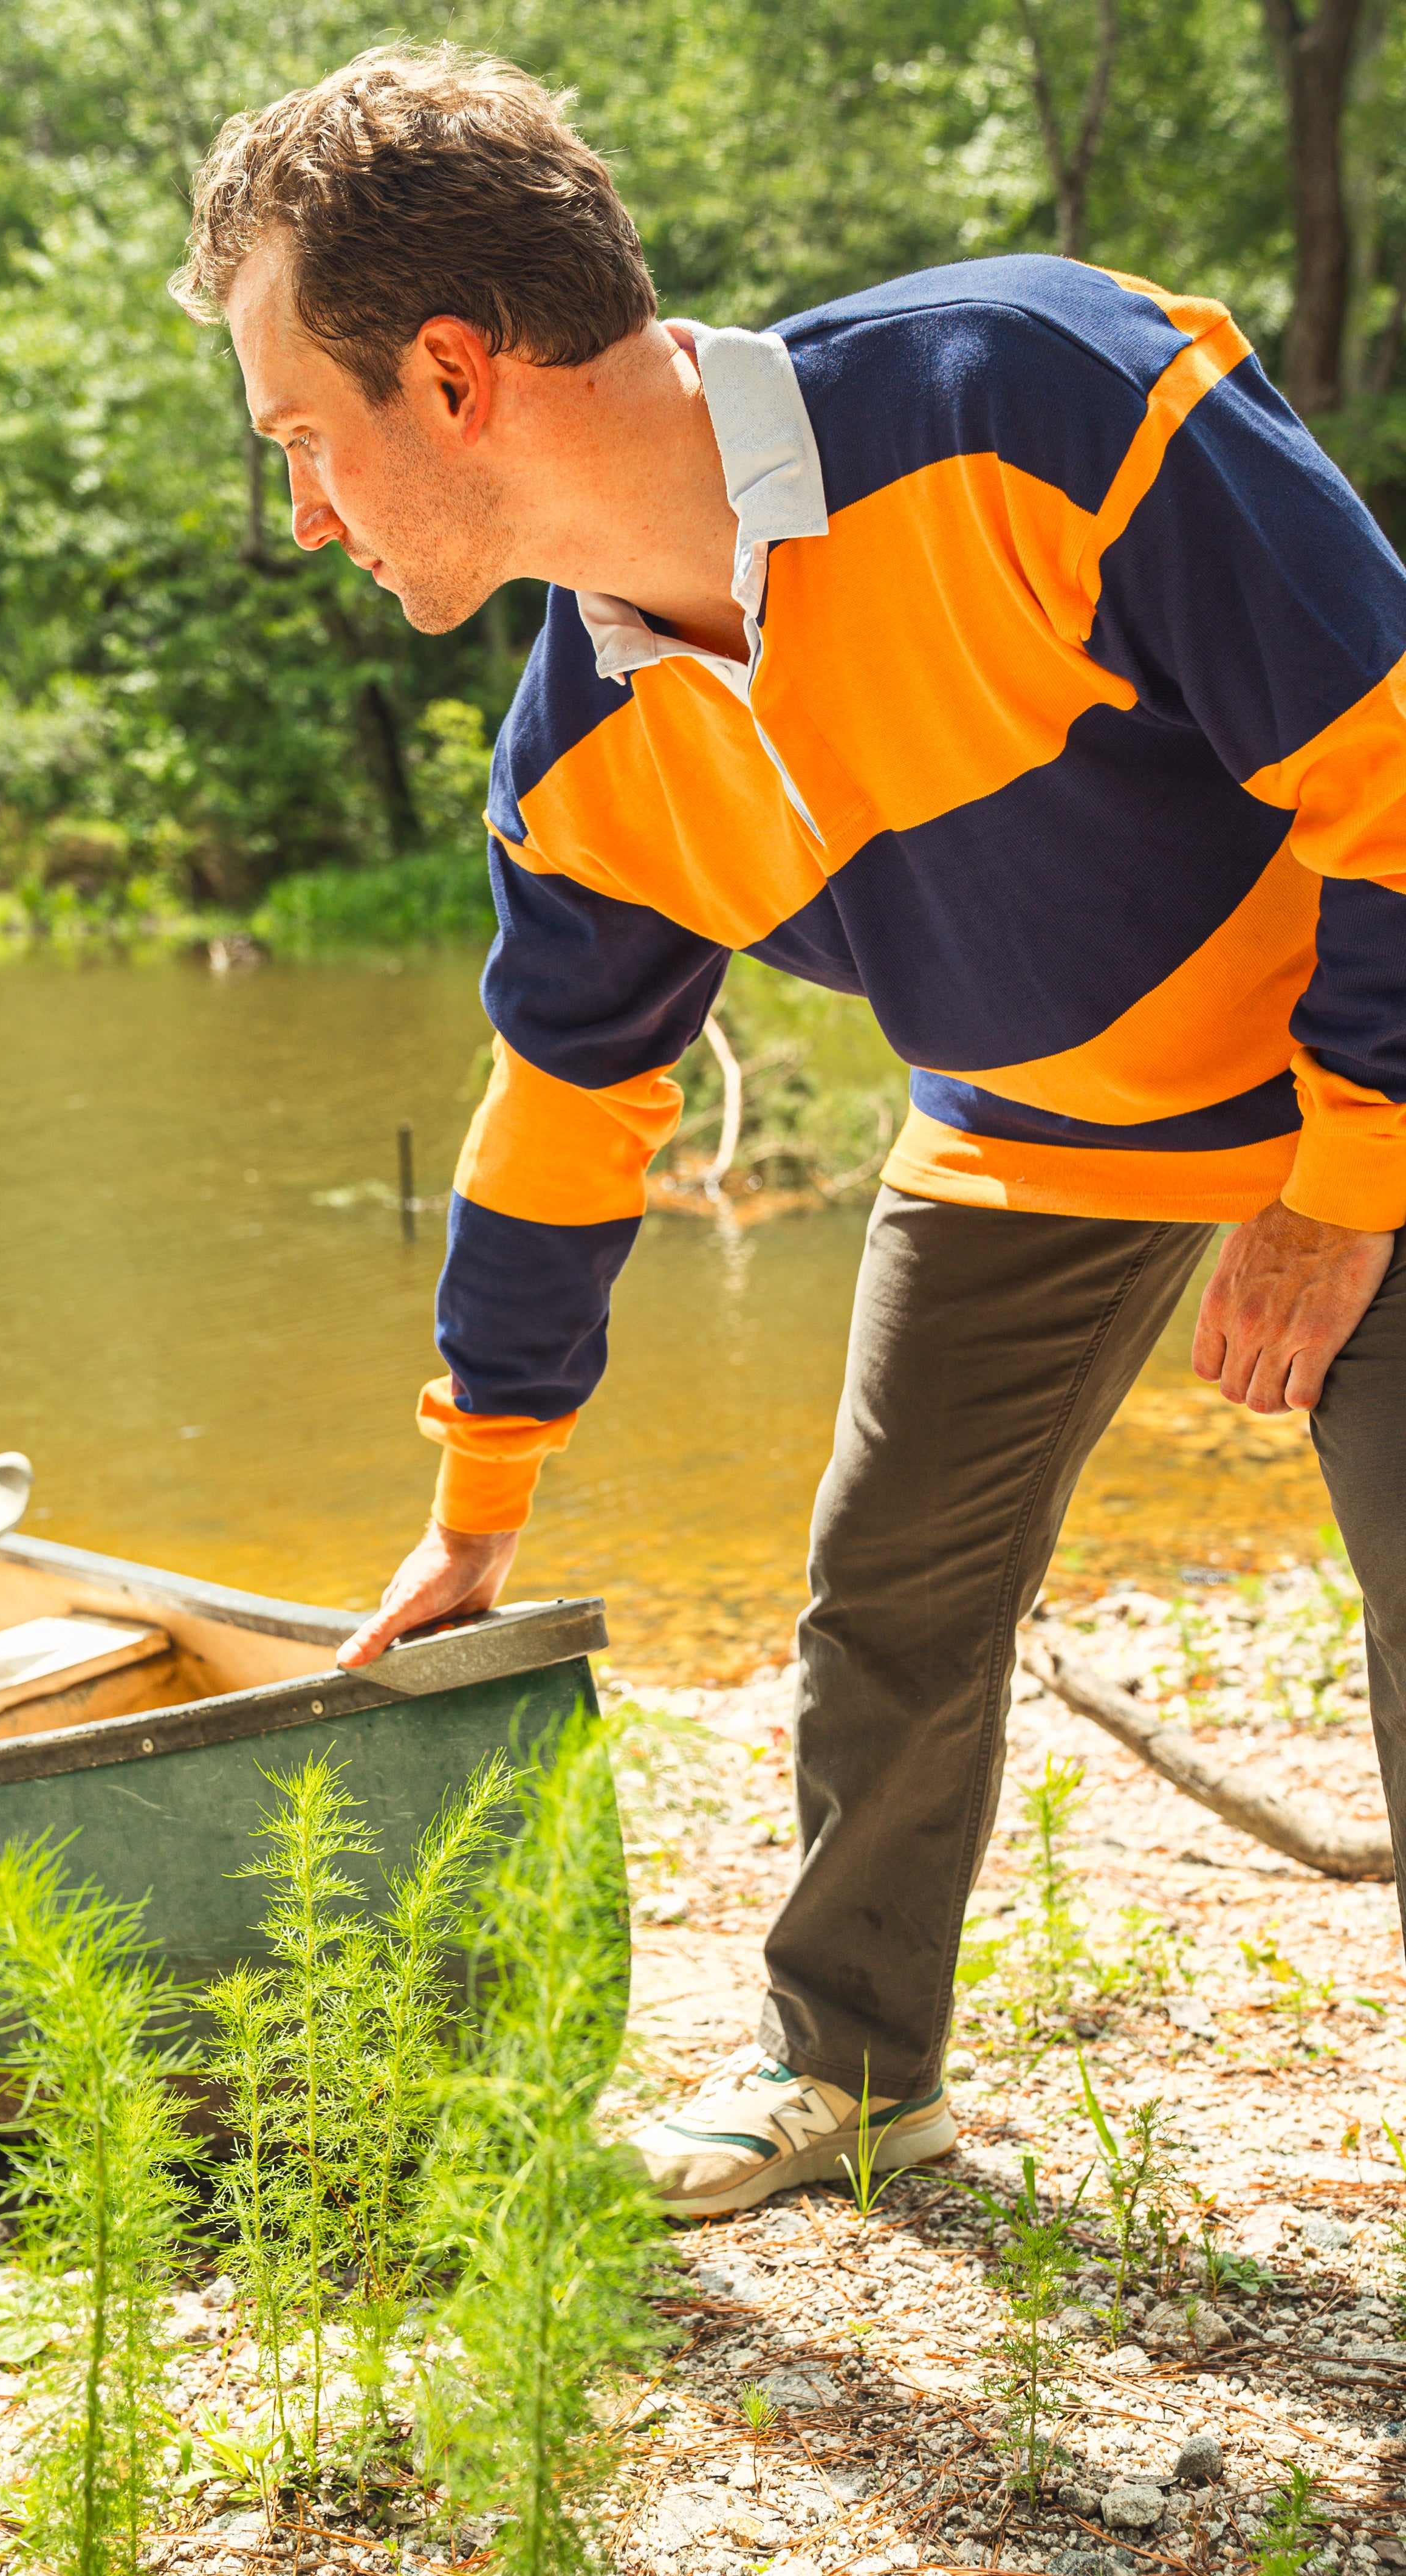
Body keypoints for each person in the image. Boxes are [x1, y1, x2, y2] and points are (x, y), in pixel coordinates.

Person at [171, 44, 1406, 2218]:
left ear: (450, 372)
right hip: (1035, 1128)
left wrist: (1348, 1175)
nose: (304, 519)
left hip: (1370, 1061)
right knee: (886, 1586)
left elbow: (1397, 754)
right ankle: (852, 2073)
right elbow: (564, 1103)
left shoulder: (1038, 390)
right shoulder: (580, 763)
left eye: (304, 442)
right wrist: (484, 1496)